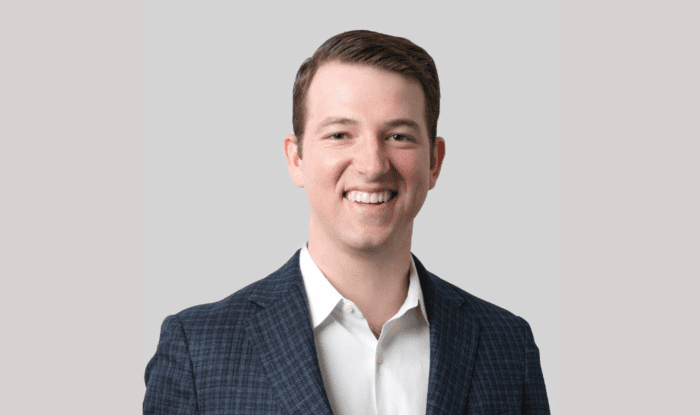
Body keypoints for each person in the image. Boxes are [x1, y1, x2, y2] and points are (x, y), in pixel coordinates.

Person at [144, 30, 550, 415]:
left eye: (398, 136)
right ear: (296, 158)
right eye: (340, 134)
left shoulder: (507, 347)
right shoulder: (199, 350)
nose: (372, 165)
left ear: (434, 162)